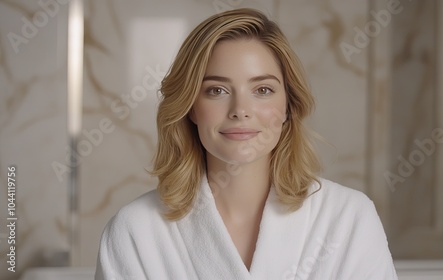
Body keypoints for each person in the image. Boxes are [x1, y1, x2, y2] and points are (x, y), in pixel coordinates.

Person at [95, 8, 398, 280]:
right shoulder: (136, 229)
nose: (241, 109)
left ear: (289, 105)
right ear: (190, 107)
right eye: (216, 90)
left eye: (263, 90)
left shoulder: (348, 216)